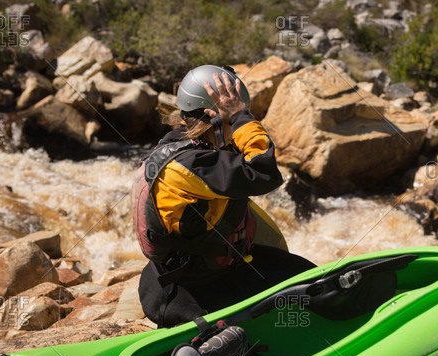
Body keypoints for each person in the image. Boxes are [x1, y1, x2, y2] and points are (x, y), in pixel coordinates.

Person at [132, 65, 315, 328]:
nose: (237, 127)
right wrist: (241, 116)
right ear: (213, 119)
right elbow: (265, 172)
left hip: (200, 270)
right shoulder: (192, 166)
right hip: (200, 288)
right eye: (233, 121)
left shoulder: (179, 146)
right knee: (313, 294)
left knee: (308, 275)